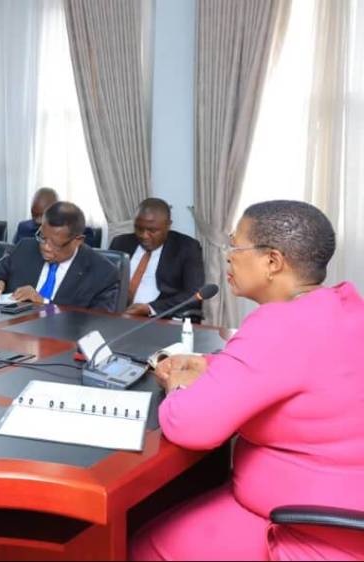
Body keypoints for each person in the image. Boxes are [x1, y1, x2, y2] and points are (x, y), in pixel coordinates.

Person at [130, 201, 364, 561]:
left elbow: (190, 426)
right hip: (348, 503)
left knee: (143, 543)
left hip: (306, 529)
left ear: (272, 262)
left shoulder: (278, 324)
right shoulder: (345, 306)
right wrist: (210, 366)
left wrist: (176, 383)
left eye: (235, 246)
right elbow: (299, 371)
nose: (228, 258)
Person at [0, 201, 118, 311]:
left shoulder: (103, 273)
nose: (45, 247)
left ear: (78, 241)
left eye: (56, 244)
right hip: (12, 333)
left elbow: (97, 323)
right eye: (43, 238)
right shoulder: (26, 248)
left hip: (62, 341)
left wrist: (44, 303)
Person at [109, 198, 205, 317]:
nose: (144, 235)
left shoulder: (186, 248)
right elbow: (104, 283)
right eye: (139, 228)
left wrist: (150, 308)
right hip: (113, 314)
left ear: (168, 225)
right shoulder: (120, 242)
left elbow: (194, 295)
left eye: (152, 230)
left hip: (156, 318)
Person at [13, 187, 96, 245]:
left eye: (42, 216)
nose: (37, 221)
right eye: (34, 215)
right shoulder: (24, 228)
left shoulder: (81, 232)